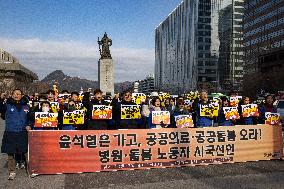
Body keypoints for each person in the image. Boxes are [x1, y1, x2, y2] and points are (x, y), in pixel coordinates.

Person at [1, 89, 30, 180]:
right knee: (11, 153)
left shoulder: (27, 106)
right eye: (15, 93)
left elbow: (30, 118)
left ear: (22, 95)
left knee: (26, 152)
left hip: (23, 132)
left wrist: (29, 125)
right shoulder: (7, 105)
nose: (17, 95)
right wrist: (1, 98)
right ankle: (12, 171)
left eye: (19, 94)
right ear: (12, 94)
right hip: (10, 131)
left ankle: (30, 169)